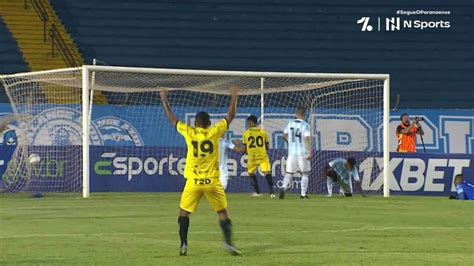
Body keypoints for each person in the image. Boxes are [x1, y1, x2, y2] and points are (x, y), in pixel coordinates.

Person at [159, 87, 241, 256]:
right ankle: (229, 244)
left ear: (195, 124)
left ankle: (183, 245)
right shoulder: (214, 132)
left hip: (193, 182)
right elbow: (230, 116)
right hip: (212, 181)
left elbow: (172, 119)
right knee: (222, 212)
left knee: (184, 213)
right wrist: (234, 97)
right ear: (209, 124)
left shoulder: (189, 132)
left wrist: (164, 99)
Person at [236, 115, 275, 197]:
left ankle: (257, 192)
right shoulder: (263, 132)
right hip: (262, 156)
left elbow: (244, 149)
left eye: (248, 123)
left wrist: (239, 146)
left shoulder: (246, 134)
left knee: (251, 173)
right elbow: (267, 146)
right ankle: (272, 193)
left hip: (252, 157)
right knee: (267, 173)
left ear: (250, 122)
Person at [279, 106, 311, 199]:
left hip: (292, 153)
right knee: (304, 173)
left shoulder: (290, 124)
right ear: (304, 115)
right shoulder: (305, 125)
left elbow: (284, 135)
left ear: (296, 114)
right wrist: (309, 152)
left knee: (289, 173)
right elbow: (306, 139)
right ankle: (303, 194)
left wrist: (289, 142)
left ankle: (283, 189)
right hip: (302, 153)